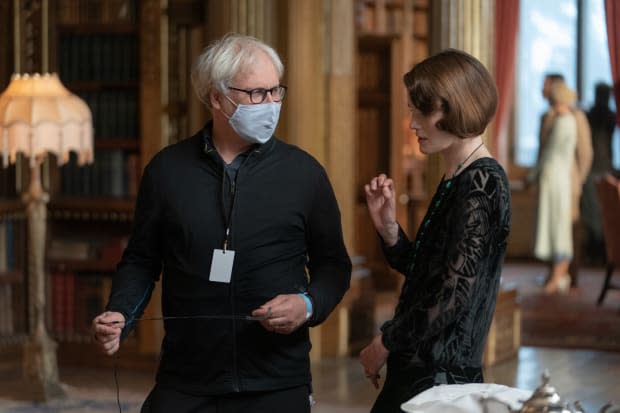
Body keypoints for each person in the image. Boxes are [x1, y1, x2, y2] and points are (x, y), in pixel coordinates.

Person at [91, 33, 352, 413]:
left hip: (277, 379)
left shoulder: (305, 173)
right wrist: (120, 313)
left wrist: (308, 304)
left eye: (276, 91)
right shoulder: (166, 170)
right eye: (257, 94)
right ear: (217, 97)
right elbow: (141, 260)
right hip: (186, 379)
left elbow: (334, 266)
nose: (271, 104)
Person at [359, 49, 511, 412]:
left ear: (454, 108)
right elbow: (428, 273)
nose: (412, 123)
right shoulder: (457, 177)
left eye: (421, 111)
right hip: (424, 372)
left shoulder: (481, 182)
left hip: (441, 380)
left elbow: (451, 295)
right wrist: (389, 229)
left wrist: (385, 342)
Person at [538, 74, 592, 287]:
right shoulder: (547, 116)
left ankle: (570, 274)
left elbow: (585, 152)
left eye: (547, 86)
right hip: (549, 180)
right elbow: (543, 151)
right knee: (551, 228)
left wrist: (578, 178)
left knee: (569, 227)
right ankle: (554, 273)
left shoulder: (576, 116)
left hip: (568, 183)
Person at [528, 82, 579, 294]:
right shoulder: (563, 120)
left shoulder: (565, 122)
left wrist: (532, 175)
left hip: (557, 183)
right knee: (553, 227)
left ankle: (559, 274)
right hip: (554, 181)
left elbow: (550, 154)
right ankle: (556, 275)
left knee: (559, 229)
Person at [581, 82, 617, 263]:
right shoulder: (610, 116)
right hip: (604, 167)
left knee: (595, 213)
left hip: (593, 168)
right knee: (604, 213)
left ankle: (597, 250)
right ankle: (601, 251)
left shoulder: (590, 115)